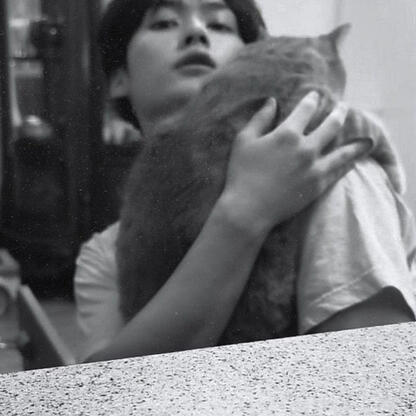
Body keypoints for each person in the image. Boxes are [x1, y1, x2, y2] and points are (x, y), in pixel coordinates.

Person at [75, 0, 416, 363]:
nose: (196, 32)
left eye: (219, 25)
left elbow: (371, 372)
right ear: (119, 79)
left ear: (256, 55)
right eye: (164, 23)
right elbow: (106, 385)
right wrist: (245, 212)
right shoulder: (103, 254)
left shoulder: (327, 172)